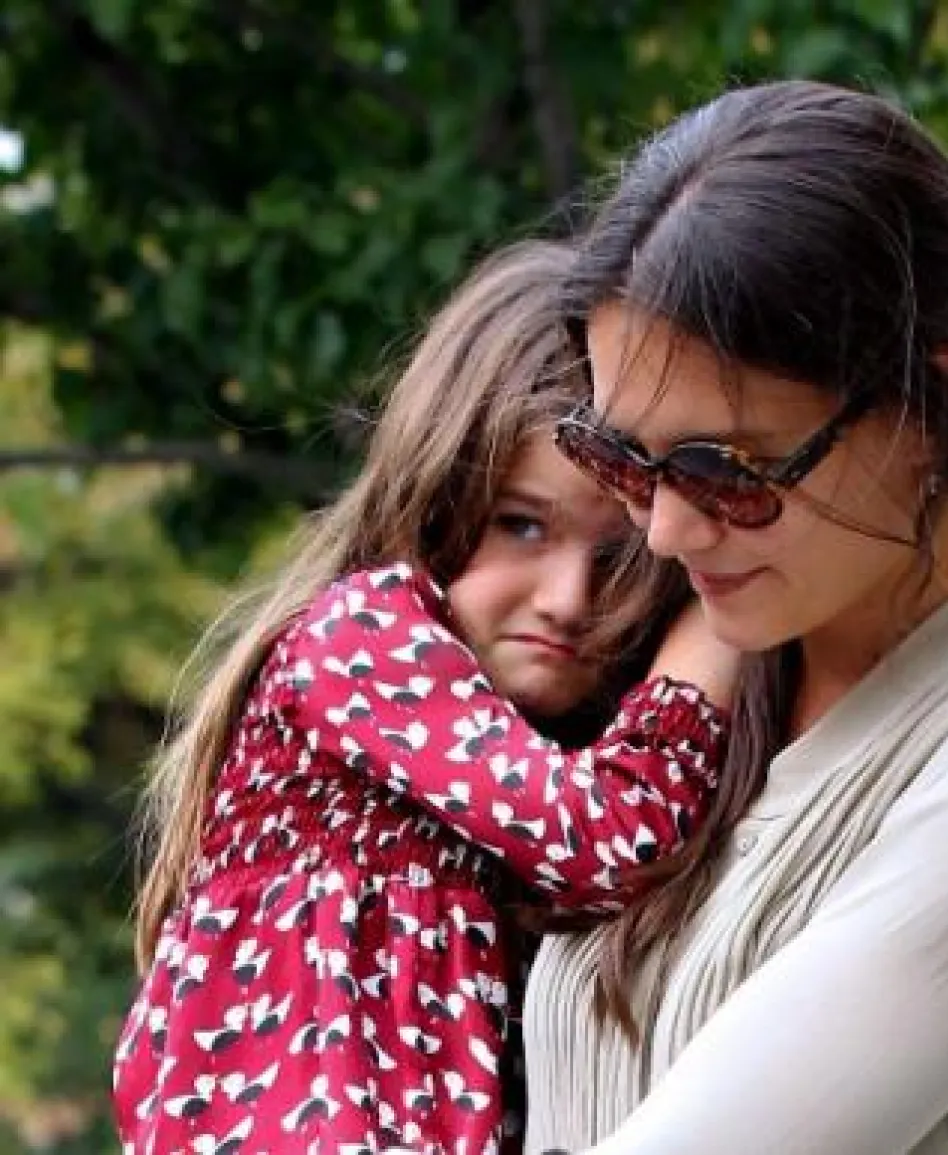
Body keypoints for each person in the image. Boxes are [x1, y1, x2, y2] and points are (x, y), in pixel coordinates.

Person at [523, 80, 948, 1155]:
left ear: (928, 406)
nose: (668, 531)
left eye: (725, 470)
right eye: (623, 459)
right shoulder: (690, 668)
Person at [112, 239, 737, 1155]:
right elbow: (609, 836)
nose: (568, 598)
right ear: (435, 492)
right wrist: (725, 610)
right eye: (521, 524)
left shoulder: (524, 765)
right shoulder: (362, 636)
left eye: (618, 556)